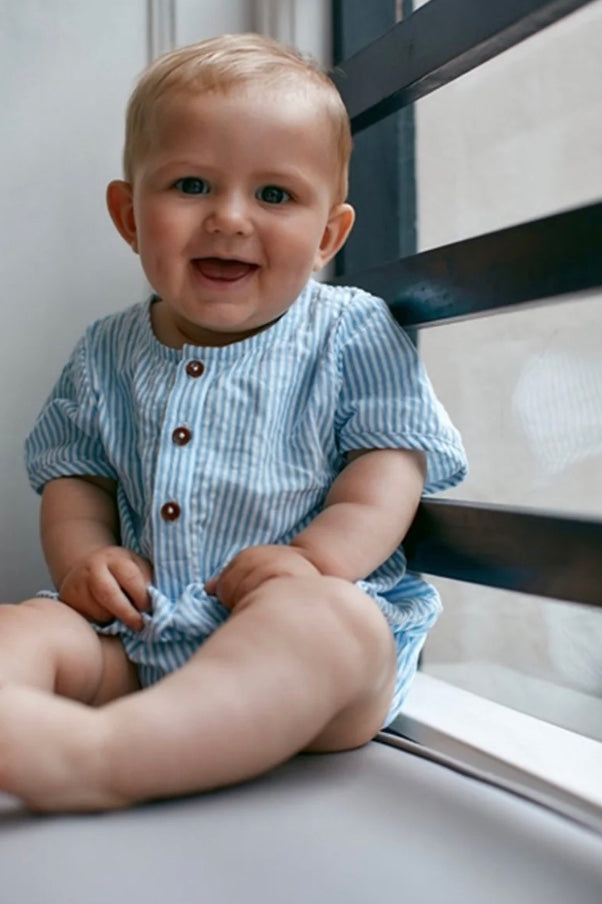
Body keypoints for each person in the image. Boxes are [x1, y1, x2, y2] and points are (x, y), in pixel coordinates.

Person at [0, 33, 467, 812]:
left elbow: (389, 467)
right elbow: (76, 478)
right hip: (141, 635)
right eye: (191, 185)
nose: (229, 218)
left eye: (275, 195)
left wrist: (313, 562)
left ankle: (104, 757)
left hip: (300, 657)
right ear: (128, 214)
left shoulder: (349, 332)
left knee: (331, 624)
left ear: (328, 236)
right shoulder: (105, 351)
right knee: (26, 628)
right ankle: (37, 727)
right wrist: (86, 560)